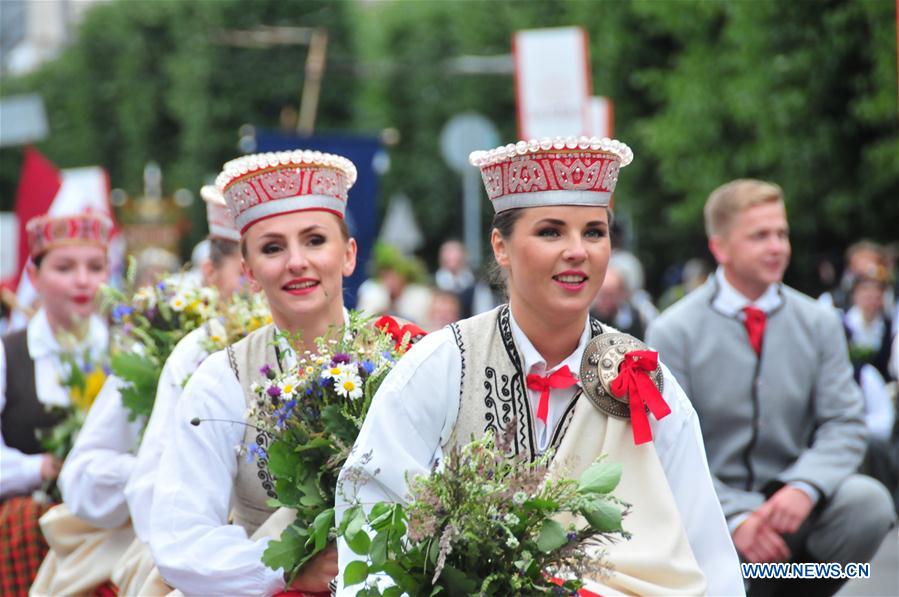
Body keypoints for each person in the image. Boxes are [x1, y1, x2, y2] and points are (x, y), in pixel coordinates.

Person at [337, 136, 744, 595]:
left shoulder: (643, 376)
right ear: (501, 246)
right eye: (551, 231)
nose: (578, 251)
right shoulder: (446, 362)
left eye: (594, 231)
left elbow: (705, 544)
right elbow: (370, 505)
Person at [646, 179, 896, 596]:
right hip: (707, 520)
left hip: (795, 515)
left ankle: (795, 590)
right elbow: (664, 443)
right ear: (720, 248)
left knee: (868, 503)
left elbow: (845, 423)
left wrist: (803, 487)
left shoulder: (819, 323)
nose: (777, 246)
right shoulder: (673, 331)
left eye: (782, 233)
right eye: (760, 235)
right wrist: (734, 517)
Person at [148, 150, 359, 595]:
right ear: (249, 272)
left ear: (349, 255)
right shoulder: (221, 378)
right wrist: (283, 568)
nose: (296, 261)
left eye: (315, 240)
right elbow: (178, 538)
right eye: (273, 248)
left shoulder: (407, 356)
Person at [31, 185, 246, 596]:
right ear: (211, 274)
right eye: (250, 264)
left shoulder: (322, 352)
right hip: (166, 538)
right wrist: (171, 471)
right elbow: (82, 478)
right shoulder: (172, 346)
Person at [0, 211, 112, 596]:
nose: (83, 280)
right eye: (65, 267)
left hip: (112, 533)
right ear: (34, 276)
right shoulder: (8, 355)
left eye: (95, 266)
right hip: (28, 533)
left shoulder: (128, 350)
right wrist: (40, 467)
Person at [590, 263, 648, 340]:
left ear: (621, 294)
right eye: (601, 295)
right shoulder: (586, 318)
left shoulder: (634, 318)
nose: (605, 301)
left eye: (610, 295)